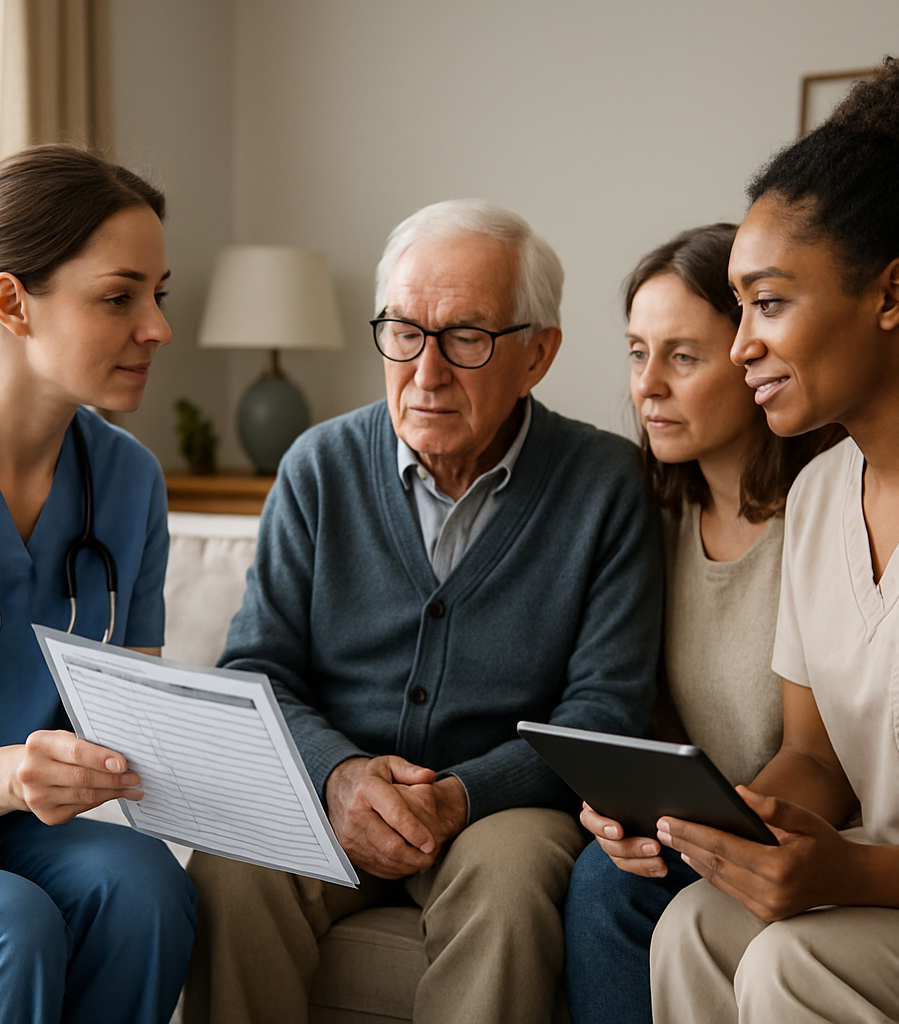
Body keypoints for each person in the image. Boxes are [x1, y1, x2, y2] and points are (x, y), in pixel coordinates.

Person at [184, 200, 663, 1024]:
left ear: (537, 354)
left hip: (504, 810)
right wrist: (338, 776)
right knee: (230, 872)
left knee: (509, 890)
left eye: (466, 337)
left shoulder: (607, 484)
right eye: (403, 331)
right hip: (340, 797)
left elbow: (604, 712)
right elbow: (257, 672)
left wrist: (460, 797)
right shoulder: (318, 466)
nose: (426, 371)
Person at [649, 55, 899, 1024]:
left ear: (891, 294)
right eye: (739, 305)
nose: (741, 340)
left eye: (770, 301)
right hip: (875, 885)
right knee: (692, 925)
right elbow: (816, 761)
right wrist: (729, 822)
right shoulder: (823, 495)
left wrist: (853, 870)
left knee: (795, 963)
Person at [562, 224, 840, 1024]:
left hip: (808, 832)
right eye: (636, 352)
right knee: (608, 868)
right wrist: (615, 808)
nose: (647, 386)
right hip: (704, 828)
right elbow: (649, 722)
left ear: (754, 355)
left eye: (682, 356)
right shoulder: (651, 519)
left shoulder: (824, 513)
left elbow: (827, 761)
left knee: (606, 888)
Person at [0, 145, 197, 1023]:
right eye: (118, 297)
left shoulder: (128, 482)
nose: (158, 327)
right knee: (3, 924)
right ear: (12, 303)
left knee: (145, 885)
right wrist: (8, 773)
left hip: (7, 832)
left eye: (158, 294)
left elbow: (135, 711)